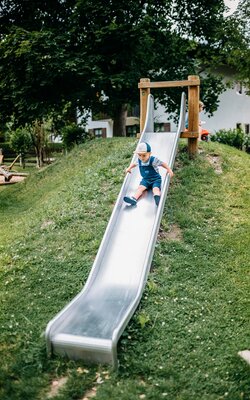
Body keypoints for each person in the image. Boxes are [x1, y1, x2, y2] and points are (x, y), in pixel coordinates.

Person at [123, 142, 174, 207]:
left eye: (144, 155)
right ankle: (134, 199)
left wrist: (169, 169)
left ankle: (157, 199)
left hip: (155, 179)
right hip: (146, 180)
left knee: (155, 189)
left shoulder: (153, 160)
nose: (141, 157)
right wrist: (129, 168)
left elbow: (162, 163)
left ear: (149, 154)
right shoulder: (139, 160)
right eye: (139, 155)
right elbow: (134, 164)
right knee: (140, 188)